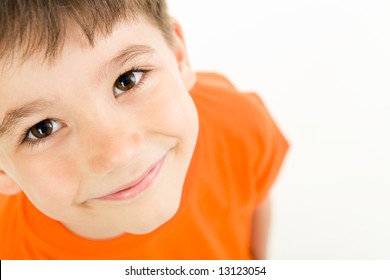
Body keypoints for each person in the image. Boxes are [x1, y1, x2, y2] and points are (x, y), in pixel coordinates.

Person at [0, 0, 288, 259]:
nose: (119, 154)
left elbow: (254, 199)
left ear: (178, 57)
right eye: (42, 129)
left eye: (127, 80)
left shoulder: (236, 124)